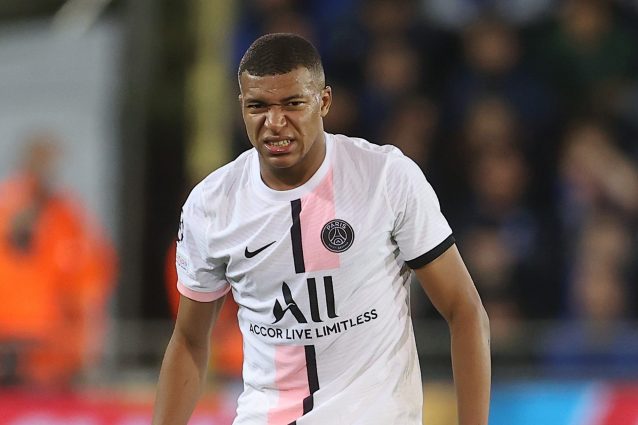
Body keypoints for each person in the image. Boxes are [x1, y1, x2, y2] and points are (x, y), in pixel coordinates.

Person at [153, 33, 490, 425]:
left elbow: (464, 310)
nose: (274, 123)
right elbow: (189, 341)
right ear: (241, 106)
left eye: (293, 104)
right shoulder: (211, 205)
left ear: (324, 101)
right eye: (258, 106)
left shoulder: (386, 178)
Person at [0, 133, 116, 387]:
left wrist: (88, 343)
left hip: (54, 349)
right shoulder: (10, 206)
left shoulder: (67, 214)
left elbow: (92, 277)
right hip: (11, 341)